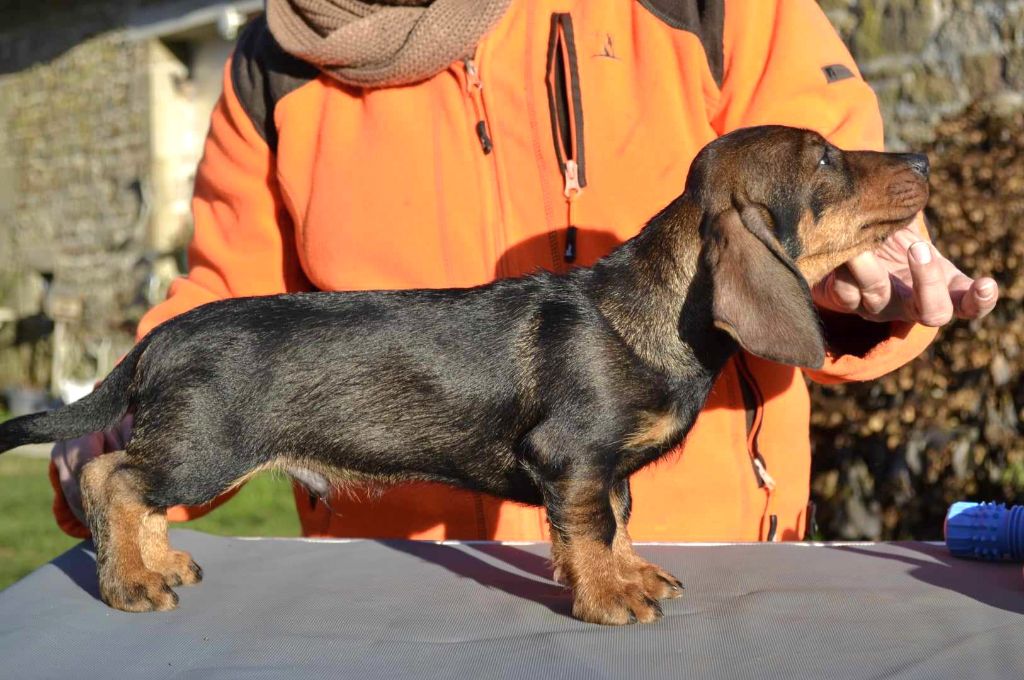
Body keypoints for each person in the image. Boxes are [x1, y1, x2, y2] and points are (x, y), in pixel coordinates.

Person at [51, 0, 997, 543]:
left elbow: (828, 188)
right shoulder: (272, 66)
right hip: (401, 581)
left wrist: (853, 288)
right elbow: (231, 304)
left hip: (700, 561)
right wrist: (128, 414)